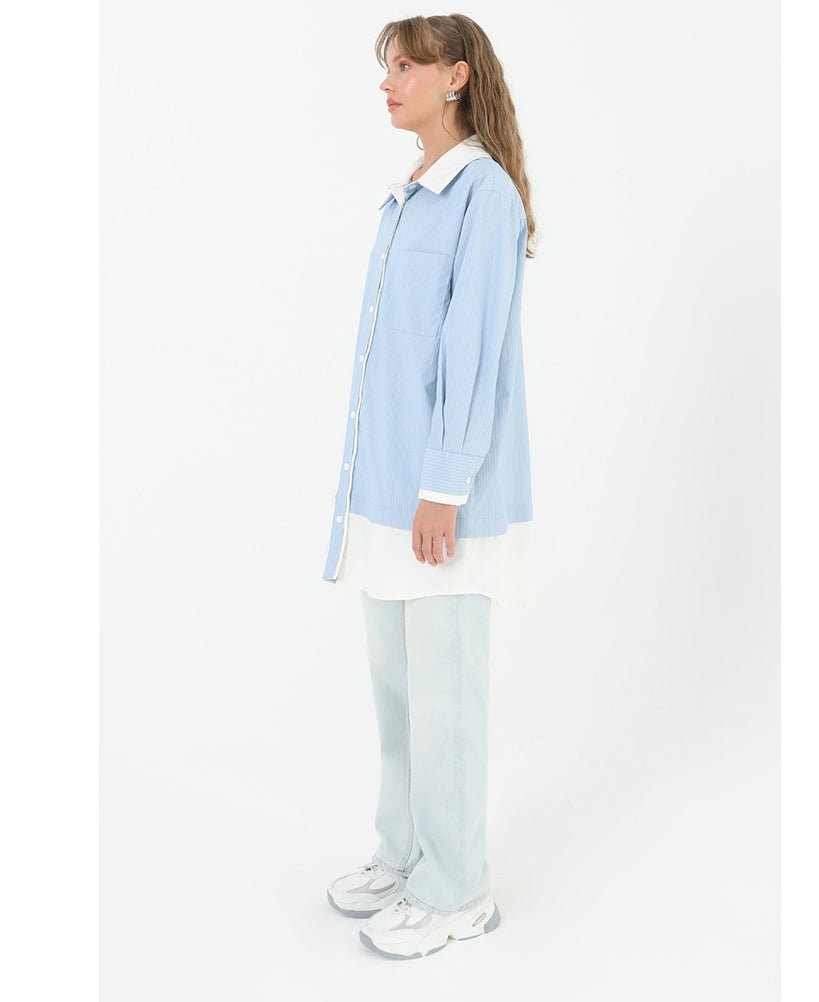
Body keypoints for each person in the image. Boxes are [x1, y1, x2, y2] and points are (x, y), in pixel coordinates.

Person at [322, 14, 537, 960]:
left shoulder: (483, 195)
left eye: (404, 66)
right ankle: (406, 853)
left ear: (455, 77)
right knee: (400, 694)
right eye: (387, 67)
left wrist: (444, 483)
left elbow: (471, 350)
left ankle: (458, 892)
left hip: (443, 498)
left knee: (446, 697)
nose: (387, 82)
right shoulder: (408, 194)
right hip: (385, 493)